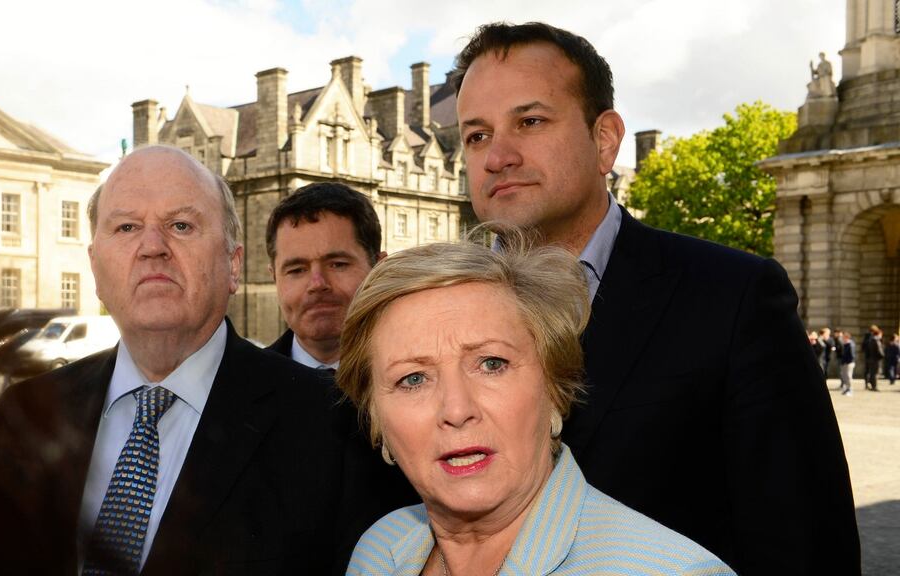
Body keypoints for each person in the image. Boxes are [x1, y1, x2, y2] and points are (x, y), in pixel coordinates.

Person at [452, 21, 858, 573]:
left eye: (529, 121)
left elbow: (805, 541)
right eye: (476, 135)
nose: (497, 156)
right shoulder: (435, 313)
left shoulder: (732, 297)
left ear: (605, 139)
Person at [0, 146, 390, 575]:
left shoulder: (336, 425)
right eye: (126, 227)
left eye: (181, 225)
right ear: (95, 268)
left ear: (233, 265)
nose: (152, 247)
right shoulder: (23, 416)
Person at [339, 238, 734, 575]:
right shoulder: (379, 553)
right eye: (413, 379)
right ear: (377, 421)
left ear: (554, 390)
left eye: (492, 364)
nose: (456, 409)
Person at [265, 182, 386, 369]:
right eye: (297, 270)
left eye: (338, 264)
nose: (317, 283)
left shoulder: (425, 371)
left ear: (379, 269)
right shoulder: (234, 392)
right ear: (275, 278)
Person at [863, 325, 884, 390]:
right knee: (873, 372)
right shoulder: (874, 339)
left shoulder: (869, 337)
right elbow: (879, 350)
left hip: (869, 356)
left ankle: (869, 384)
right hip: (872, 357)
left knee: (870, 372)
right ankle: (872, 385)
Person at [840, 332, 856, 396]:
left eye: (843, 337)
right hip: (845, 363)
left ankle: (850, 389)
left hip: (849, 363)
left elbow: (852, 355)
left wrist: (848, 361)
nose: (842, 338)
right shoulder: (845, 344)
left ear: (846, 337)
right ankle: (846, 389)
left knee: (849, 376)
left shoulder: (850, 344)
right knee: (845, 376)